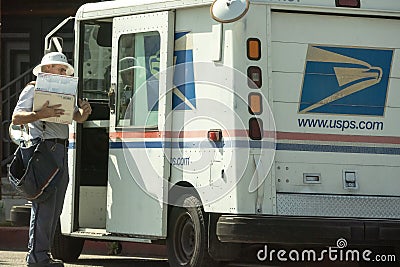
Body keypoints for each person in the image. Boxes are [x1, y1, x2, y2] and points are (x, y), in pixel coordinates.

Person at [12, 52, 92, 267]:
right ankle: (37, 257)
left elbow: (75, 116)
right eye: (60, 68)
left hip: (60, 150)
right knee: (44, 205)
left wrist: (83, 113)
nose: (64, 72)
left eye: (64, 69)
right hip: (44, 150)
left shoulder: (64, 90)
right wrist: (40, 114)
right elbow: (16, 118)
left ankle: (42, 255)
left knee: (55, 208)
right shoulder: (32, 88)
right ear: (47, 69)